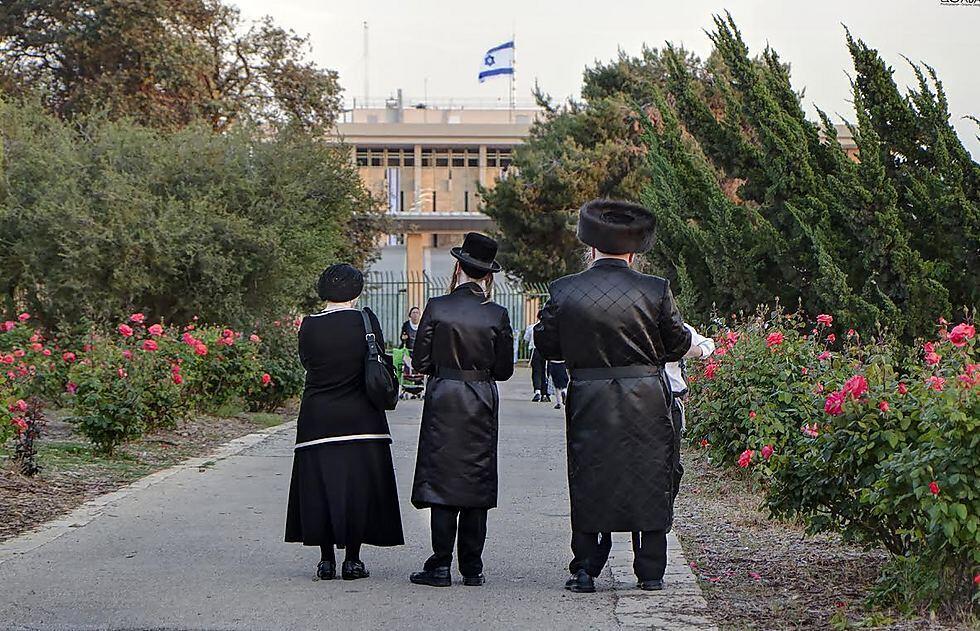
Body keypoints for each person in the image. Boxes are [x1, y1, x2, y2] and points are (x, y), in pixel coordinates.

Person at [534, 199, 692, 593]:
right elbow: (676, 343)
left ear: (591, 247)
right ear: (633, 251)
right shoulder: (655, 289)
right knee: (650, 474)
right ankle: (651, 570)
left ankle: (586, 567)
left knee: (590, 474)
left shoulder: (564, 290)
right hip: (646, 397)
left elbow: (547, 345)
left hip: (589, 396)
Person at [409, 232, 515, 588]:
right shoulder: (497, 314)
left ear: (458, 267)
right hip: (481, 397)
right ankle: (472, 566)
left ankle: (439, 564)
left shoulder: (437, 307)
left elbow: (420, 360)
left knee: (442, 480)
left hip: (444, 397)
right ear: (488, 276)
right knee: (476, 478)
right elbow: (504, 370)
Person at [285, 263, 404, 581]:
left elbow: (307, 363)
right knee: (357, 488)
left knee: (321, 487)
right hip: (362, 418)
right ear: (356, 291)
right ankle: (353, 560)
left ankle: (326, 561)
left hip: (317, 418)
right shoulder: (366, 321)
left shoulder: (309, 325)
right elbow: (378, 358)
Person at [665, 324, 715, 502]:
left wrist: (688, 350)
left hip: (670, 402)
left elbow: (708, 345)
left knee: (671, 465)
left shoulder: (678, 328)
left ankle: (664, 514)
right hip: (637, 401)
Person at [524, 320, 550, 402]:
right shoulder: (550, 327)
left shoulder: (532, 327)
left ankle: (537, 391)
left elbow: (526, 338)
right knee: (546, 372)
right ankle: (545, 394)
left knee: (536, 371)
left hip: (535, 351)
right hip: (547, 351)